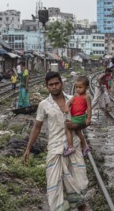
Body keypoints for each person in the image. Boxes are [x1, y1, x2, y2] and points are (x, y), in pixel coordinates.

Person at [23, 71, 88, 211]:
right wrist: (28, 148)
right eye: (51, 85)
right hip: (55, 150)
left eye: (56, 83)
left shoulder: (73, 99)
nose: (54, 87)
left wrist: (76, 125)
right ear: (47, 87)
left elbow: (83, 122)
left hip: (73, 149)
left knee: (79, 192)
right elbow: (37, 128)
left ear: (61, 83)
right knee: (55, 190)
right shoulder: (44, 104)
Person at [64, 76, 91, 157]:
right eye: (76, 87)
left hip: (80, 117)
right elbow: (69, 102)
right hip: (75, 117)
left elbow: (89, 108)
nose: (78, 89)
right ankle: (84, 147)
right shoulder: (75, 95)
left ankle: (70, 147)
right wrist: (66, 107)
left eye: (80, 87)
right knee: (78, 131)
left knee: (68, 128)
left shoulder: (86, 97)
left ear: (86, 88)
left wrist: (88, 118)